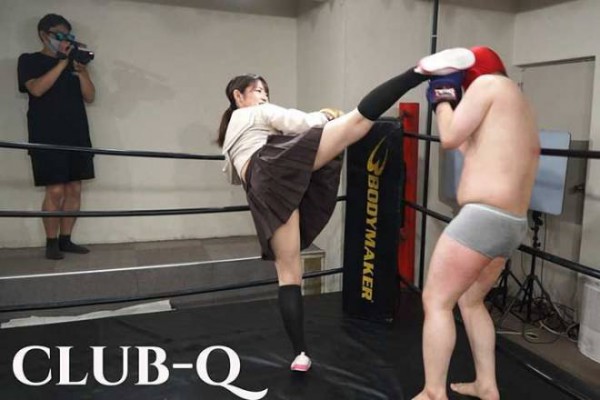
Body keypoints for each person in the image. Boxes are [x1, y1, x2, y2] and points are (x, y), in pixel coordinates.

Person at [217, 48, 475, 372]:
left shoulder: (230, 133)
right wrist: (323, 116)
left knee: (289, 274)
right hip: (272, 168)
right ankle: (419, 73)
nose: (264, 97)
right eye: (258, 91)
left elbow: (235, 174)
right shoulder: (253, 113)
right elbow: (296, 122)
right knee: (355, 123)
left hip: (262, 190)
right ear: (238, 96)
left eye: (266, 92)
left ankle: (300, 354)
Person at [413, 46, 540, 400]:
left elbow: (449, 138)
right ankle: (486, 385)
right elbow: (472, 147)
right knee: (471, 301)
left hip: (484, 218)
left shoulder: (486, 86)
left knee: (436, 301)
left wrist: (442, 99)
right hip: (511, 223)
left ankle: (433, 392)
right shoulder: (517, 101)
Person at [18, 14, 96, 260]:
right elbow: (36, 89)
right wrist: (62, 62)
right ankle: (51, 243)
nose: (66, 40)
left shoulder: (74, 64)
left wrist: (82, 71)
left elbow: (90, 96)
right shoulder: (29, 60)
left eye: (69, 36)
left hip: (77, 134)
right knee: (55, 190)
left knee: (74, 188)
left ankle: (66, 239)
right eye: (60, 35)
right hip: (47, 135)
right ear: (44, 35)